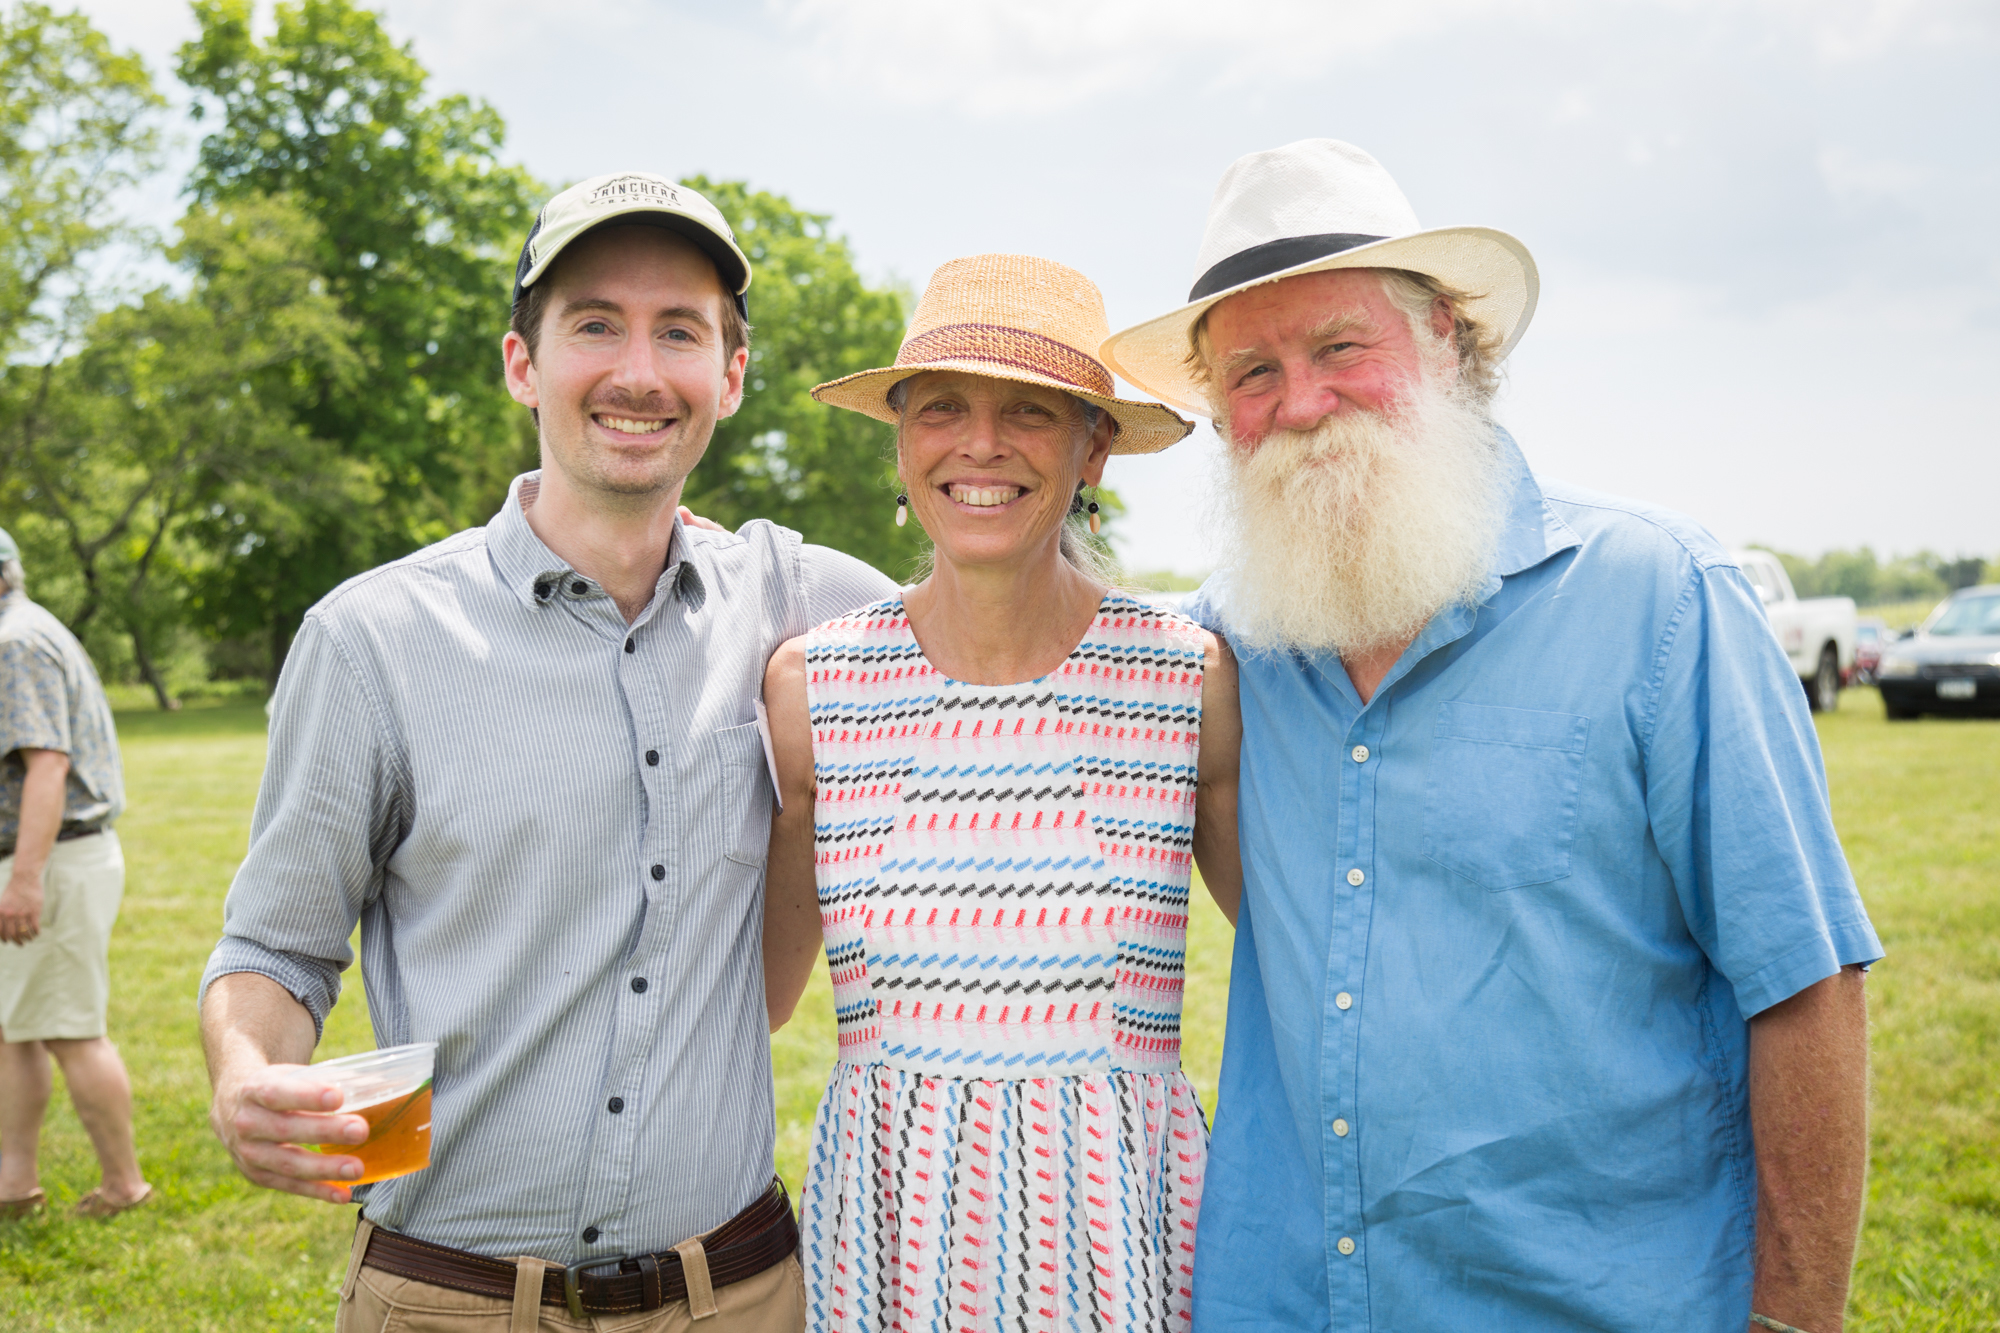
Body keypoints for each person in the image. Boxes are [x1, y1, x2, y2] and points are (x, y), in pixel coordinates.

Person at [1097, 140, 1882, 1333]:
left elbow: (1804, 985)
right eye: (1251, 372)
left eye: (1339, 349)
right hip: (1287, 1300)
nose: (1299, 403)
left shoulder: (1657, 599)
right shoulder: (1221, 654)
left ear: (1450, 343)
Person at [198, 172, 896, 1332]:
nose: (637, 371)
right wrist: (242, 1071)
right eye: (592, 325)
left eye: (679, 330)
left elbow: (1002, 615)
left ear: (728, 375)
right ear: (522, 363)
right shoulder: (371, 638)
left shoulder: (799, 598)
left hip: (740, 1293)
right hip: (447, 1298)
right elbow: (277, 942)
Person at [758, 254, 1244, 1333]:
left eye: (1028, 411)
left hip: (1115, 1238)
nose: (979, 445)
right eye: (941, 408)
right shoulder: (813, 688)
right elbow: (752, 1001)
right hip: (894, 1241)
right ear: (899, 439)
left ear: (1094, 450)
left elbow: (1309, 962)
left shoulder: (1186, 679)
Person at [0, 529, 150, 1221]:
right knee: (18, 1027)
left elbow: (47, 764)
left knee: (70, 1029)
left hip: (54, 858)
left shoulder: (16, 643)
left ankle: (124, 1183)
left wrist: (25, 878)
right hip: (53, 857)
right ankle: (13, 1182)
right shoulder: (26, 629)